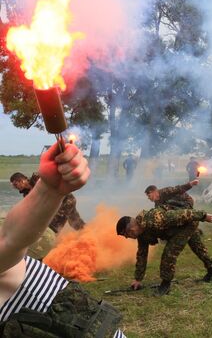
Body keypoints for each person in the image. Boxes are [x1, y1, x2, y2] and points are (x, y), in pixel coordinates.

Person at [0, 142, 125, 337]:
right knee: (75, 225)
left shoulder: (34, 180)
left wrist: (49, 189)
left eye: (17, 183)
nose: (16, 186)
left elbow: (10, 238)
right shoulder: (25, 191)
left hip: (63, 316)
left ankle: (88, 245)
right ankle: (91, 242)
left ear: (21, 179)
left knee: (51, 232)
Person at [116, 207, 212, 295]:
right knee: (199, 248)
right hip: (181, 227)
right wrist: (138, 279)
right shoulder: (141, 234)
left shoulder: (153, 218)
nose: (126, 238)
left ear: (131, 230)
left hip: (186, 223)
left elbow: (180, 214)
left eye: (125, 235)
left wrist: (203, 216)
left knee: (169, 253)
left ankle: (165, 285)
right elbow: (142, 255)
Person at [144, 179, 212, 282]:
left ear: (153, 191)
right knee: (198, 247)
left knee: (178, 250)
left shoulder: (164, 192)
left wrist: (190, 184)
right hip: (184, 219)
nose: (149, 199)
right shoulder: (157, 203)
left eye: (149, 196)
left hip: (187, 207)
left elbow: (178, 189)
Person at [10, 172, 86, 233]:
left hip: (66, 200)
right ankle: (89, 234)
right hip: (58, 204)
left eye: (15, 185)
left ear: (21, 181)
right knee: (75, 222)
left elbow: (55, 178)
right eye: (14, 186)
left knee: (54, 226)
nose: (16, 187)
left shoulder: (38, 178)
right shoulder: (27, 194)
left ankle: (54, 245)